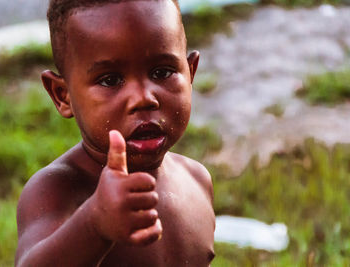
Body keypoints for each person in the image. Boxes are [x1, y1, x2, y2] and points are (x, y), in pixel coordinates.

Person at [15, 0, 215, 266]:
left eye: (162, 72)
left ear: (190, 72)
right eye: (110, 80)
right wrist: (93, 224)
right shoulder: (57, 191)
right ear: (62, 96)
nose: (143, 98)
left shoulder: (197, 180)